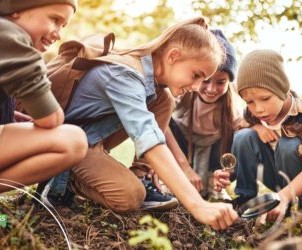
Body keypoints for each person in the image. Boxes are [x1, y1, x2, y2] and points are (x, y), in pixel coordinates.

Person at [46, 17, 238, 230]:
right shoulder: (124, 75)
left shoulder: (157, 88)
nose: (195, 87)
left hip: (90, 140)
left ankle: (142, 178)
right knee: (129, 196)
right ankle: (61, 180)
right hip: (64, 145)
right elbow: (150, 141)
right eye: (196, 75)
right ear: (173, 56)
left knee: (163, 99)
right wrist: (198, 205)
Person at [0, 0, 87, 211]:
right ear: (16, 9)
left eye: (63, 26)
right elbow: (52, 119)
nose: (58, 34)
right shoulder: (11, 39)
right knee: (73, 140)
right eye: (55, 20)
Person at [214, 49, 302, 222]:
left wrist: (283, 197)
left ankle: (301, 209)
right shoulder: (253, 115)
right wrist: (228, 174)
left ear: (281, 90)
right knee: (243, 136)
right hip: (278, 178)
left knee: (288, 145)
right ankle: (246, 201)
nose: (258, 109)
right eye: (250, 102)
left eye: (265, 98)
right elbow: (241, 141)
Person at [167, 29, 241, 198]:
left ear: (229, 82)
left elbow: (245, 136)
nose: (211, 89)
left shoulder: (233, 111)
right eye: (205, 80)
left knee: (241, 135)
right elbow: (159, 125)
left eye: (221, 82)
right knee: (164, 123)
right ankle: (169, 179)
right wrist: (184, 166)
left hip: (214, 156)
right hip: (183, 149)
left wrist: (225, 172)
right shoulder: (182, 94)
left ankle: (213, 184)